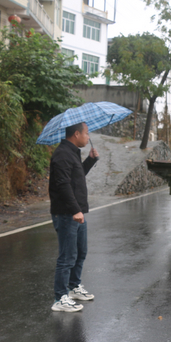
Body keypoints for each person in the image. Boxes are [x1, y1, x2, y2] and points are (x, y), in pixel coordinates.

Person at [48, 122, 99, 313]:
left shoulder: (73, 152)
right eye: (86, 133)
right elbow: (62, 184)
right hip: (67, 213)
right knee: (67, 256)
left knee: (80, 252)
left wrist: (90, 160)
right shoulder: (62, 154)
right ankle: (60, 297)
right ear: (76, 134)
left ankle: (74, 287)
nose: (88, 137)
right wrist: (74, 210)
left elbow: (77, 177)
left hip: (76, 212)